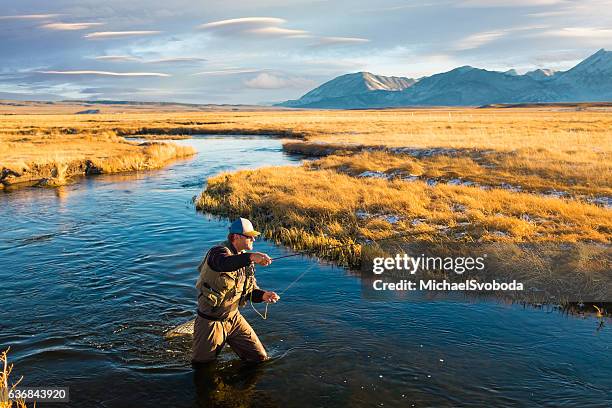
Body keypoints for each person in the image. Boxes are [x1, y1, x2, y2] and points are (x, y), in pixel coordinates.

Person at [192, 218, 280, 367]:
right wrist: (252, 256)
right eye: (250, 236)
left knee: (259, 358)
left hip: (234, 319)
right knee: (203, 367)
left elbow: (249, 291)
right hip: (211, 321)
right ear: (237, 237)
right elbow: (223, 263)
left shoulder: (245, 260)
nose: (254, 238)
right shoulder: (217, 252)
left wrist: (264, 295)